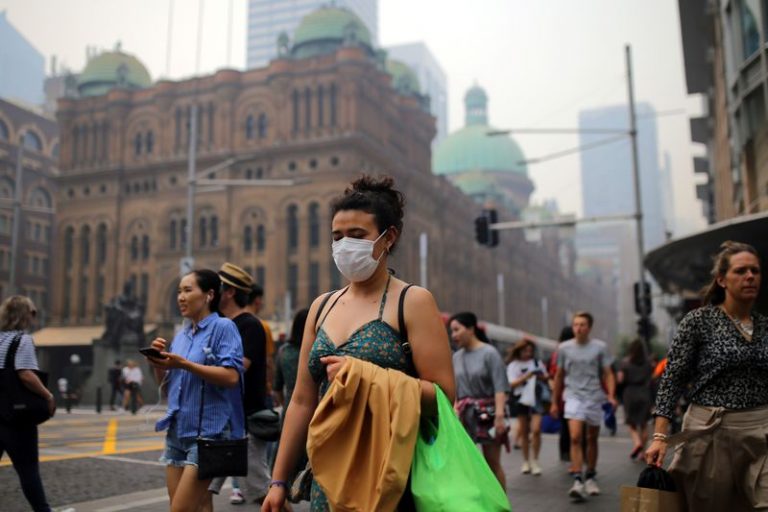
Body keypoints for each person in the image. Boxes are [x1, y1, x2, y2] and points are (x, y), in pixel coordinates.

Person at [262, 175, 456, 512]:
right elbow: (301, 401)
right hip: (328, 478)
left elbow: (443, 397)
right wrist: (278, 482)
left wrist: (365, 376)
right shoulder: (321, 307)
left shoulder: (412, 301)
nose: (344, 245)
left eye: (357, 235)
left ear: (388, 237)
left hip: (390, 478)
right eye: (337, 237)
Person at [646, 241, 768, 511]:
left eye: (755, 271)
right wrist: (659, 437)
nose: (750, 276)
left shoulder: (765, 326)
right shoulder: (698, 321)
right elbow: (672, 380)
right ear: (722, 279)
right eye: (741, 271)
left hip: (762, 431)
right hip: (711, 431)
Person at [144, 269, 245, 512]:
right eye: (179, 291)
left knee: (180, 510)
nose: (180, 296)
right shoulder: (181, 336)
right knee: (196, 506)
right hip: (177, 434)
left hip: (209, 433)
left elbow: (231, 377)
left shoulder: (223, 327)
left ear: (209, 295)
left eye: (188, 290)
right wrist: (159, 364)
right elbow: (169, 388)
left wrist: (184, 364)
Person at [203, 263, 270, 507]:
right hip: (220, 423)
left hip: (245, 423)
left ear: (229, 292)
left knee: (263, 494)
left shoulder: (249, 325)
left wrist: (195, 366)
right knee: (202, 490)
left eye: (217, 288)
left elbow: (237, 369)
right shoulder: (218, 324)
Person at [550, 311, 617, 502]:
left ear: (589, 327)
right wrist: (555, 402)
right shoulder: (564, 348)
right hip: (573, 397)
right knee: (576, 437)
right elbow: (559, 376)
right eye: (575, 325)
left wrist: (611, 396)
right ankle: (578, 479)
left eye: (582, 325)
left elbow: (608, 373)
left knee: (592, 438)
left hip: (594, 397)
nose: (578, 328)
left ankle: (591, 476)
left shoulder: (600, 348)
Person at [0, 296, 56, 512]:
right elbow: (25, 374)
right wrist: (48, 395)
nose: (34, 317)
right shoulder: (22, 340)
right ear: (23, 315)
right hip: (17, 417)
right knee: (28, 470)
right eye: (32, 312)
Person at [451, 312, 510, 489]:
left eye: (456, 330)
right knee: (467, 463)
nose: (453, 335)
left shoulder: (489, 353)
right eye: (451, 331)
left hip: (489, 414)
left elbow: (500, 386)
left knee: (492, 463)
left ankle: (501, 504)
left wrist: (499, 416)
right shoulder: (456, 357)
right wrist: (454, 409)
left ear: (471, 329)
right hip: (464, 415)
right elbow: (455, 387)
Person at [506, 338, 548, 476]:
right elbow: (511, 384)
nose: (528, 353)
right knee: (523, 432)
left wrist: (540, 376)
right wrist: (527, 377)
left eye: (530, 351)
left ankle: (535, 460)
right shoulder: (513, 365)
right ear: (519, 350)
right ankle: (526, 461)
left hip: (536, 399)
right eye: (525, 350)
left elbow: (546, 377)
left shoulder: (537, 363)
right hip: (520, 400)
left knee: (536, 430)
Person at [618, 339, 653, 459]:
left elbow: (621, 380)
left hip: (630, 394)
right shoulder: (648, 363)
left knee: (631, 424)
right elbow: (651, 379)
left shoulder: (625, 363)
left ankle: (637, 443)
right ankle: (643, 452)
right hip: (644, 393)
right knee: (643, 425)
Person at [549, 326, 575, 462]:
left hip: (561, 394)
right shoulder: (566, 351)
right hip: (570, 392)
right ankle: (573, 452)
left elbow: (553, 373)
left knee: (564, 424)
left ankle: (565, 452)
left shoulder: (557, 352)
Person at [274, 308, 308, 409]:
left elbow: (277, 388)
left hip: (290, 408)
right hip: (316, 412)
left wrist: (286, 405)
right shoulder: (318, 351)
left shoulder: (284, 351)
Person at [247, 283, 275, 401]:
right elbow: (268, 361)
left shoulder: (233, 323)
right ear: (257, 300)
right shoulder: (263, 326)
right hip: (259, 390)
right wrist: (269, 386)